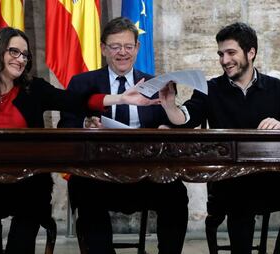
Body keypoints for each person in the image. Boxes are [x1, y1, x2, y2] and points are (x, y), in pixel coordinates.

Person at [0, 27, 159, 254]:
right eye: (14, 52)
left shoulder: (34, 88)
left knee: (29, 206)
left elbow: (76, 101)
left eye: (24, 55)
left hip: (26, 178)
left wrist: (120, 97)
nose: (20, 60)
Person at [159, 22, 280, 254]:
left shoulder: (276, 88)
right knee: (240, 203)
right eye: (221, 54)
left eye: (231, 53)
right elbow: (187, 117)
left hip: (269, 175)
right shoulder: (210, 88)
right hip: (229, 177)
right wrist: (170, 106)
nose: (224, 60)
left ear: (251, 53)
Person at [58, 17, 189, 254]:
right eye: (115, 46)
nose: (122, 53)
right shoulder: (82, 83)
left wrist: (167, 129)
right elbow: (65, 125)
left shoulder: (155, 83)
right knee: (84, 191)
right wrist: (85, 124)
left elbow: (172, 124)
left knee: (176, 193)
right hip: (99, 174)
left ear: (137, 48)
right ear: (103, 48)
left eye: (128, 46)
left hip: (146, 174)